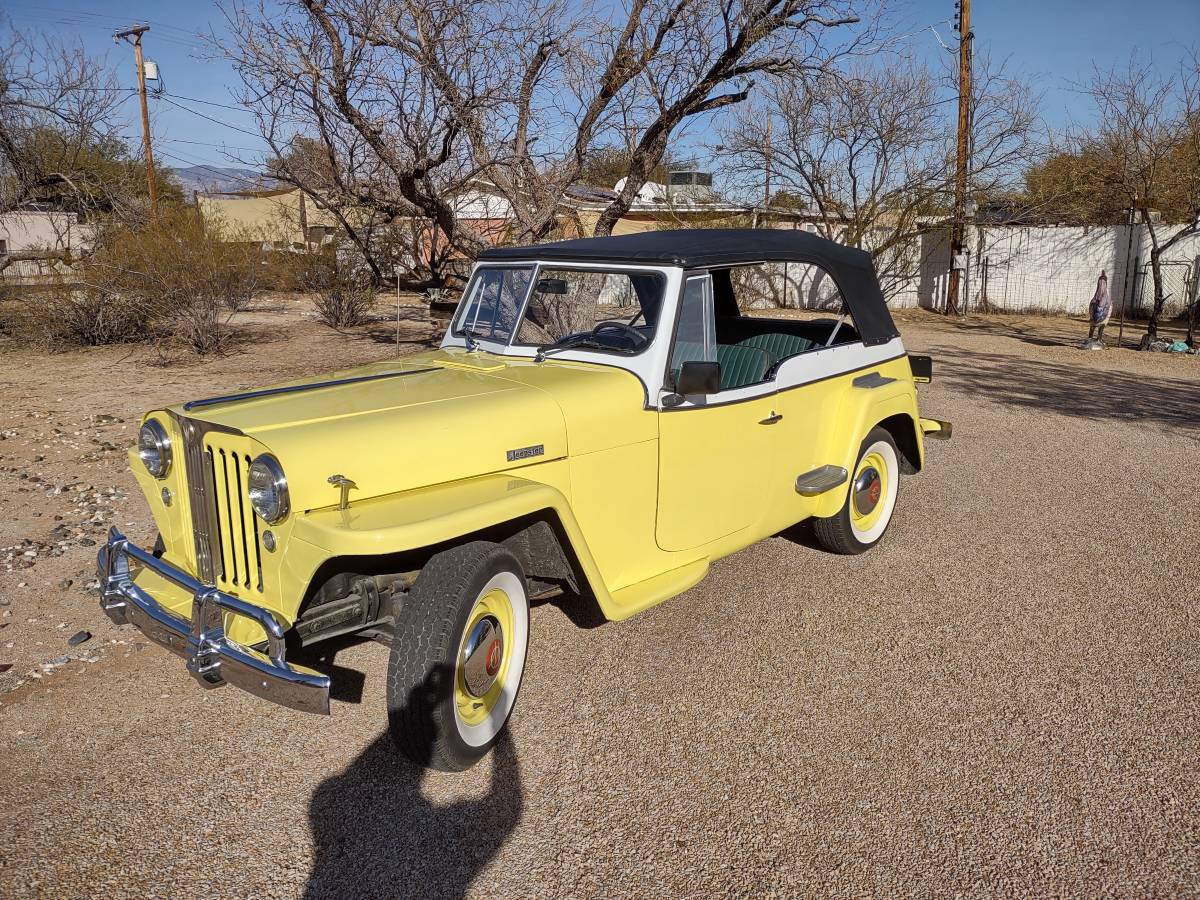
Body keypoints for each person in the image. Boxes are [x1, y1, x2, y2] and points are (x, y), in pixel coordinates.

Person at [1086, 271, 1111, 345]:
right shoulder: (1097, 300)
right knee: (1098, 325)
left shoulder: (1094, 300)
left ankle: (1097, 339)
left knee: (1095, 326)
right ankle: (1093, 339)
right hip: (1099, 317)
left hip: (1097, 318)